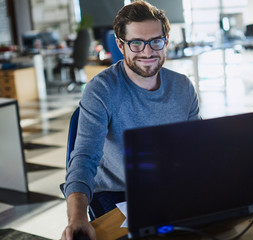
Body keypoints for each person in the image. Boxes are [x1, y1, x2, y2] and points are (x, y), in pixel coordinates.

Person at [61, 1, 201, 239]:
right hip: (117, 193)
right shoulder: (102, 90)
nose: (147, 52)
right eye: (136, 43)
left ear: (166, 41)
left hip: (168, 186)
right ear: (121, 45)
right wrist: (77, 218)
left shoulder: (183, 87)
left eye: (155, 41)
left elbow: (197, 147)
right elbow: (84, 158)